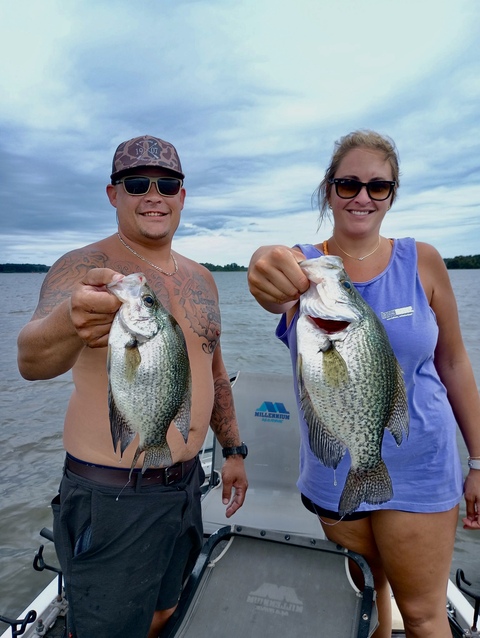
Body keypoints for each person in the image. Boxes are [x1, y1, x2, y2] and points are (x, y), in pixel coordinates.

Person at [247, 129, 480, 638]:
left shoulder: (424, 260)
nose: (362, 197)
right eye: (348, 184)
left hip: (420, 463)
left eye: (378, 187)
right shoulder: (307, 269)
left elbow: (456, 364)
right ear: (328, 190)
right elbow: (270, 277)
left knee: (422, 616)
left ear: (393, 194)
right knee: (367, 594)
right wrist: (263, 263)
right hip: (337, 467)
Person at [17, 135, 248, 638]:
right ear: (112, 193)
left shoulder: (203, 280)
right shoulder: (82, 268)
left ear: (182, 196)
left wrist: (233, 450)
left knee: (165, 611)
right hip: (113, 496)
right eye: (137, 183)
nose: (153, 195)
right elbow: (30, 360)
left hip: (186, 486)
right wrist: (69, 321)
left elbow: (212, 370)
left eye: (167, 184)